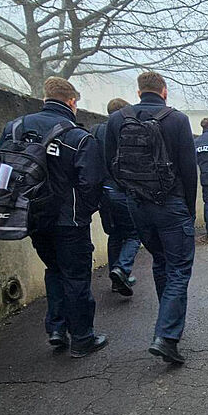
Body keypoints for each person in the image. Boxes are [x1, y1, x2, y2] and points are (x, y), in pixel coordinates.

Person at [0, 77, 106, 357]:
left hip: (31, 216)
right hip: (69, 220)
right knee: (76, 276)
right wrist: (84, 211)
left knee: (54, 270)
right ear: (72, 102)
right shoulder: (77, 137)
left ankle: (56, 328)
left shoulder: (15, 128)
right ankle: (82, 338)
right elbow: (92, 182)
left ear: (45, 99)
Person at [105, 71, 197, 364]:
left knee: (160, 260)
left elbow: (110, 164)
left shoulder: (117, 120)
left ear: (139, 91)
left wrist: (130, 193)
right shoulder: (177, 120)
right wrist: (189, 208)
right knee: (179, 268)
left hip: (137, 205)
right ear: (164, 91)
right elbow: (188, 169)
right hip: (171, 204)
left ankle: (166, 320)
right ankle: (166, 336)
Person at [92, 98, 141, 297]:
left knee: (115, 234)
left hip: (103, 192)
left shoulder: (95, 131)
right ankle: (122, 269)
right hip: (121, 190)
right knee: (134, 234)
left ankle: (116, 278)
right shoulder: (124, 131)